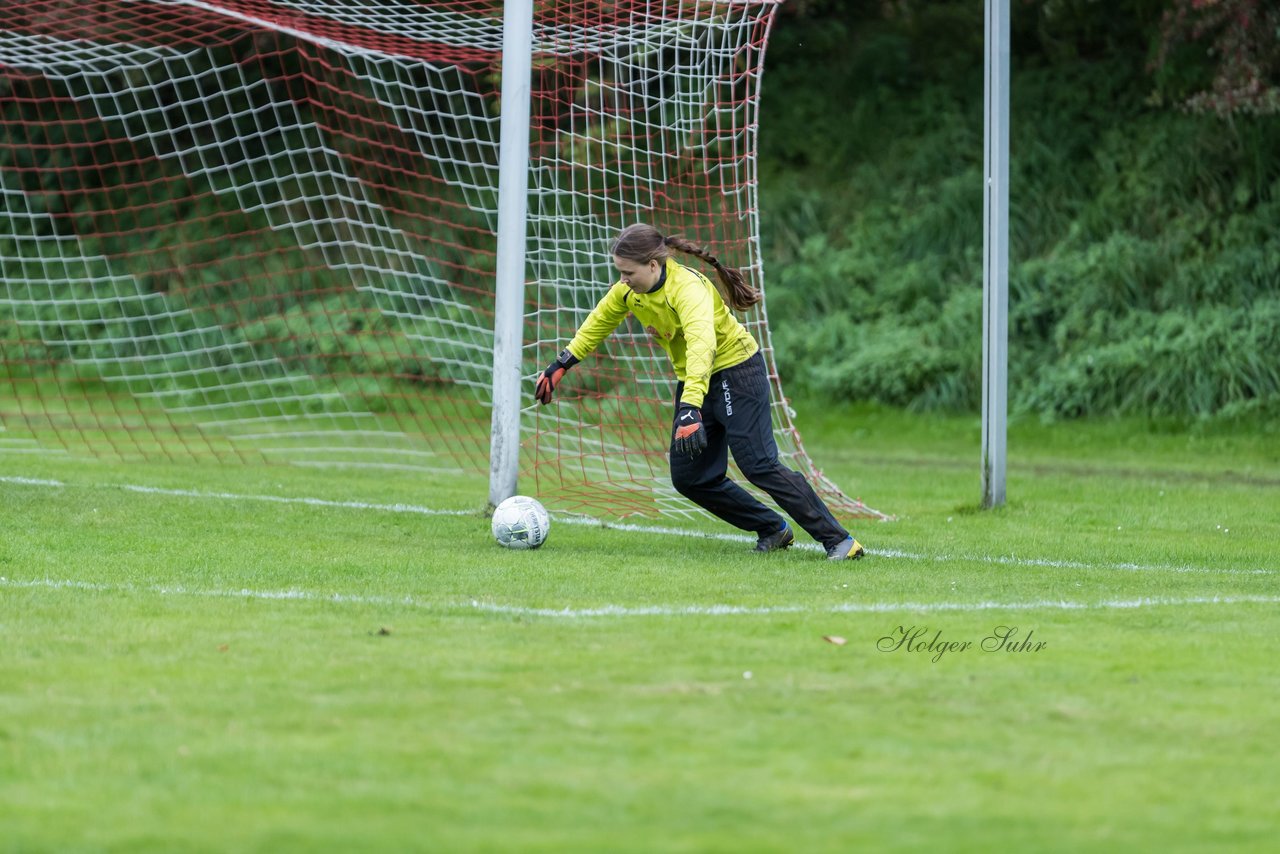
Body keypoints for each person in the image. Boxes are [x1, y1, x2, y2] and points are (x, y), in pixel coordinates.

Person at [533, 223, 865, 561]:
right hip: (696, 382)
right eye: (619, 272)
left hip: (737, 372)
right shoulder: (629, 292)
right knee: (690, 477)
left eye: (628, 272)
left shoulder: (687, 289)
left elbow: (702, 346)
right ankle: (772, 528)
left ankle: (839, 541)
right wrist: (562, 363)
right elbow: (598, 322)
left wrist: (690, 406)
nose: (623, 280)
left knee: (758, 464)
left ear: (652, 264)